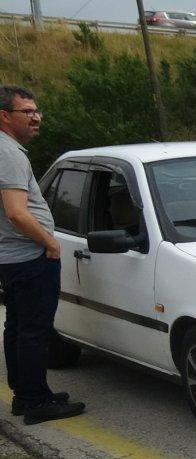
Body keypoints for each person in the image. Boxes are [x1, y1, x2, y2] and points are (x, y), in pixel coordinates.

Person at [0, 85, 84, 424]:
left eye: (37, 111)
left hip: (12, 257)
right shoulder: (9, 153)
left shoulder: (6, 150)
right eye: (28, 112)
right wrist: (48, 243)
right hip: (27, 256)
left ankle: (26, 394)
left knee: (18, 326)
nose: (36, 117)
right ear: (5, 116)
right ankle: (36, 402)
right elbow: (17, 213)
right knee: (34, 330)